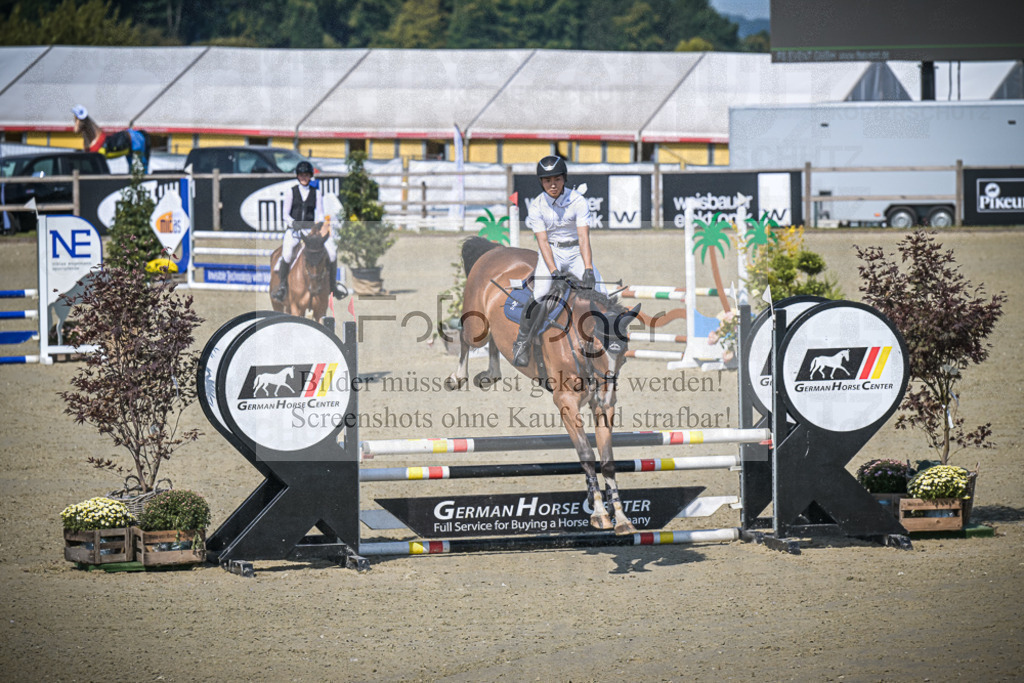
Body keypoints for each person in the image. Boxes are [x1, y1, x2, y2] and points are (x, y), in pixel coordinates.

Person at [511, 155, 605, 367]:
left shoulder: (578, 201)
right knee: (540, 293)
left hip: (575, 253)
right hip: (551, 252)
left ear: (564, 179)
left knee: (602, 292)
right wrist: (554, 271)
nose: (552, 184)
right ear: (541, 182)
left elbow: (583, 237)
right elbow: (543, 242)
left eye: (557, 179)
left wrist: (588, 268)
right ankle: (522, 341)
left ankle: (609, 338)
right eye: (547, 181)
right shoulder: (536, 206)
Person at [272, 160, 346, 301]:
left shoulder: (316, 193)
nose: (304, 177)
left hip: (310, 231)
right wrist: (294, 223)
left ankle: (333, 287)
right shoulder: (291, 192)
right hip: (294, 231)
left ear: (310, 176)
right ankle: (282, 286)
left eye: (306, 175)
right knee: (287, 254)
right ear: (298, 176)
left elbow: (320, 213)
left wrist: (318, 224)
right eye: (301, 175)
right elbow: (285, 214)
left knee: (331, 253)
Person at [71, 105, 150, 172]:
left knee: (139, 162)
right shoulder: (88, 142)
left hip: (133, 141)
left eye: (77, 120)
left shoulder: (98, 142)